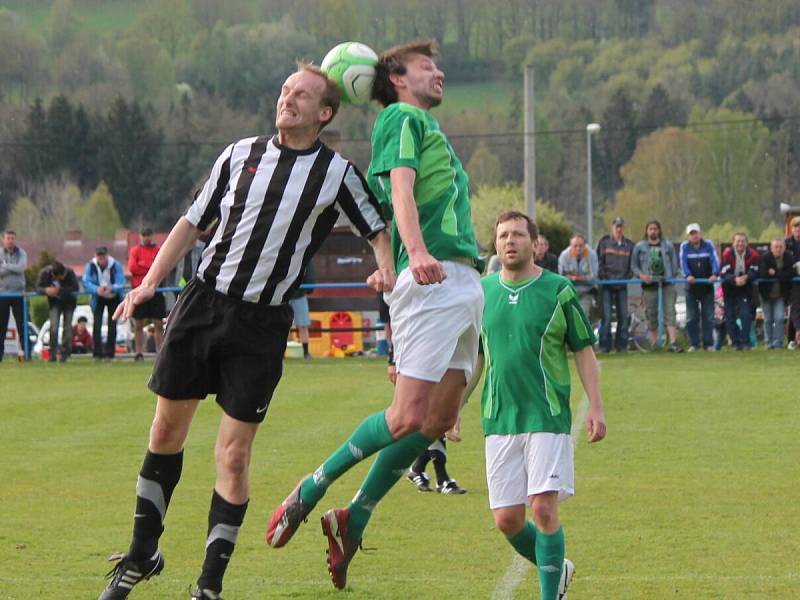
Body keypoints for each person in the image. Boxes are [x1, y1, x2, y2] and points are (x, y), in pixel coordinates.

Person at [97, 64, 392, 600]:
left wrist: (387, 268)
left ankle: (209, 585)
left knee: (233, 456)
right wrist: (148, 283)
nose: (288, 100)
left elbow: (376, 226)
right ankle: (142, 555)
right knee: (165, 433)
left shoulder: (336, 174)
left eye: (301, 95)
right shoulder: (239, 155)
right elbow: (192, 222)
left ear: (324, 113)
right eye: (284, 91)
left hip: (262, 324)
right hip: (202, 305)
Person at [267, 40, 483, 591]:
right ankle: (311, 487)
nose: (439, 73)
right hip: (433, 278)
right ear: (397, 79)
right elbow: (401, 190)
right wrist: (417, 251)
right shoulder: (399, 119)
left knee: (437, 421)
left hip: (462, 281)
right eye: (426, 67)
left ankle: (354, 517)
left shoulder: (420, 122)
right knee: (407, 416)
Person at [483, 211, 606, 600]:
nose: (509, 241)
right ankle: (559, 567)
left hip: (547, 416)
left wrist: (596, 408)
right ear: (496, 244)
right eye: (503, 235)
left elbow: (584, 350)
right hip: (499, 418)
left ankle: (549, 594)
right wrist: (452, 407)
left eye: (518, 234)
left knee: (544, 510)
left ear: (534, 243)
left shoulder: (558, 290)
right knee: (507, 520)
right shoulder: (482, 292)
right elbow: (473, 359)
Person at [631, 220, 682, 352]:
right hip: (649, 285)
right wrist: (642, 276)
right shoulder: (639, 247)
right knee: (651, 314)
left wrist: (672, 276)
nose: (653, 231)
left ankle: (673, 343)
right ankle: (655, 345)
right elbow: (634, 266)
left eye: (655, 229)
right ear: (647, 231)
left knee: (670, 312)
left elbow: (674, 264)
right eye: (650, 229)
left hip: (667, 284)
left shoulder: (668, 246)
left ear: (659, 230)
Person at [679, 223, 719, 352]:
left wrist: (714, 274)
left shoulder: (709, 245)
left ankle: (708, 344)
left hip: (707, 287)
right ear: (688, 236)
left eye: (696, 233)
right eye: (691, 234)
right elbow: (683, 262)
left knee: (708, 316)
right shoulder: (684, 246)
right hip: (691, 288)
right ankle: (694, 344)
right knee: (691, 317)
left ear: (700, 233)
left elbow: (715, 260)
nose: (694, 236)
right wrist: (688, 275)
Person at [596, 217, 633, 353]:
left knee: (623, 316)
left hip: (622, 285)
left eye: (621, 226)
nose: (619, 229)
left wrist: (626, 278)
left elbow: (631, 266)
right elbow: (599, 262)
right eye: (616, 226)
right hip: (606, 284)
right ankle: (604, 346)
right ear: (612, 228)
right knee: (606, 317)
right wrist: (604, 277)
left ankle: (621, 346)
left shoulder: (629, 245)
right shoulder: (604, 242)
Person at [129, 227, 167, 360]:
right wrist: (150, 267)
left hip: (155, 289)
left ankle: (160, 352)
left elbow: (161, 266)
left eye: (148, 235)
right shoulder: (135, 251)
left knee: (158, 323)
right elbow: (132, 267)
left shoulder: (158, 250)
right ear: (140, 237)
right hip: (139, 289)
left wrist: (145, 266)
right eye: (144, 235)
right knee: (138, 323)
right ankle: (139, 352)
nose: (146, 238)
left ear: (152, 236)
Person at [83, 246, 126, 361]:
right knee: (97, 325)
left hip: (113, 296)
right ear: (95, 256)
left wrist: (112, 288)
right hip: (98, 297)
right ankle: (97, 353)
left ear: (107, 255)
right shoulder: (91, 266)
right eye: (99, 256)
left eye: (103, 256)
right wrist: (96, 289)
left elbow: (121, 281)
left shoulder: (115, 265)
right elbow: (86, 281)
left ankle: (109, 354)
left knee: (112, 325)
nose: (101, 259)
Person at [719, 233, 760, 350]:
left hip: (745, 288)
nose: (740, 243)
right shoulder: (726, 254)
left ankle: (745, 341)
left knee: (746, 315)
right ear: (733, 243)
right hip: (729, 289)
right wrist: (734, 279)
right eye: (738, 241)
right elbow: (723, 272)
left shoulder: (754, 255)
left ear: (747, 243)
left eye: (743, 241)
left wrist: (746, 278)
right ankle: (736, 342)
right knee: (730, 316)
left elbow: (756, 271)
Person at [36, 261, 79, 362]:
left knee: (67, 328)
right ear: (55, 275)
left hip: (69, 303)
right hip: (54, 304)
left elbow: (75, 287)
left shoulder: (69, 272)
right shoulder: (45, 273)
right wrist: (46, 290)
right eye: (61, 276)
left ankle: (65, 354)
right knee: (53, 328)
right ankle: (52, 354)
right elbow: (38, 287)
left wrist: (59, 291)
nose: (63, 277)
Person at [758, 239, 793, 350]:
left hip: (781, 295)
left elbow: (789, 275)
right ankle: (768, 343)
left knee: (779, 318)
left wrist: (775, 273)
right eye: (776, 247)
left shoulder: (789, 258)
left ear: (784, 248)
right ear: (771, 248)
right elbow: (763, 273)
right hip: (766, 294)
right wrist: (779, 274)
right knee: (768, 319)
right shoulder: (765, 258)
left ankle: (778, 343)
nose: (778, 249)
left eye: (780, 247)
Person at [0, 230, 27, 362]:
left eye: (12, 238)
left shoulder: (21, 253)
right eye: (8, 238)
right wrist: (12, 268)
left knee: (21, 325)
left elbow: (21, 268)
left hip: (18, 294)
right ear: (3, 240)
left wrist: (6, 266)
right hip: (3, 294)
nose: (10, 240)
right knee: (2, 325)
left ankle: (25, 353)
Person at [557, 233, 598, 317]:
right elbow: (562, 275)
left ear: (585, 245)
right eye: (575, 246)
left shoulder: (592, 255)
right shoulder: (564, 255)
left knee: (583, 317)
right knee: (568, 318)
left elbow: (594, 275)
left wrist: (573, 277)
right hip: (569, 292)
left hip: (586, 292)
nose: (578, 248)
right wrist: (583, 277)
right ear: (570, 246)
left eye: (581, 245)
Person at [287, 263, 313, 359]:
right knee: (285, 325)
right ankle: (285, 352)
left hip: (299, 294)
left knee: (303, 325)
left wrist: (308, 289)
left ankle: (306, 352)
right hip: (284, 294)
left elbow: (310, 275)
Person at [785, 216, 800, 350]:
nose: (798, 229)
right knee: (795, 310)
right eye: (796, 226)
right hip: (793, 283)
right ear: (791, 228)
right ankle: (792, 339)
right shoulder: (786, 243)